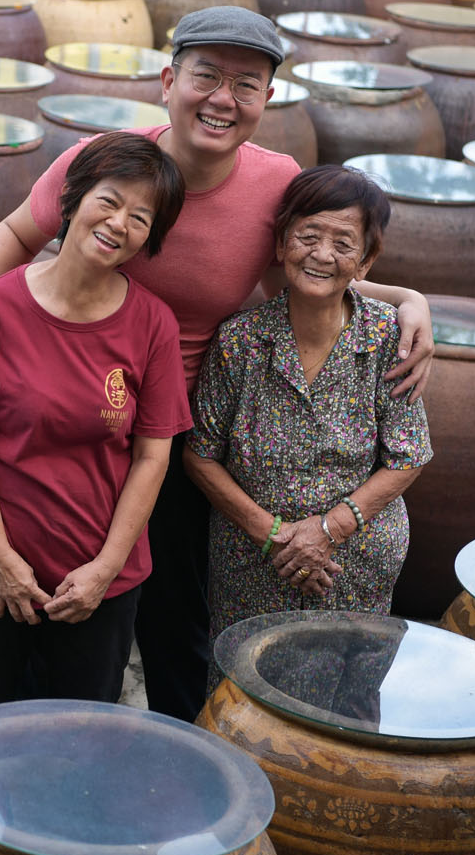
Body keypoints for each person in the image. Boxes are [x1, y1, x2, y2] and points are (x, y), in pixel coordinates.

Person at [0, 6, 436, 722]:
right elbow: (18, 232)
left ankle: (175, 756)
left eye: (246, 85)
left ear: (267, 102)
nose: (222, 99)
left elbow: (313, 266)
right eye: (206, 76)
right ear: (169, 80)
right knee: (14, 589)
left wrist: (406, 297)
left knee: (172, 618)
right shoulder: (107, 166)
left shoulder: (276, 184)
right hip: (61, 406)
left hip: (183, 432)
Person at [0, 131, 190, 715]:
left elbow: (153, 456)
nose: (119, 222)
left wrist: (105, 571)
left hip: (99, 585)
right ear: (73, 199)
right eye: (109, 200)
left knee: (79, 748)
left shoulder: (153, 324)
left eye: (141, 216)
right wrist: (0, 557)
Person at [185, 165, 432, 674]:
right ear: (280, 244)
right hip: (252, 561)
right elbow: (199, 454)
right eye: (308, 235)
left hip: (354, 565)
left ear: (365, 261)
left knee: (344, 718)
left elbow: (408, 457)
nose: (322, 254)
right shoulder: (241, 341)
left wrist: (328, 530)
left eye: (343, 243)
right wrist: (273, 534)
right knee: (245, 701)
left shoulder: (389, 338)